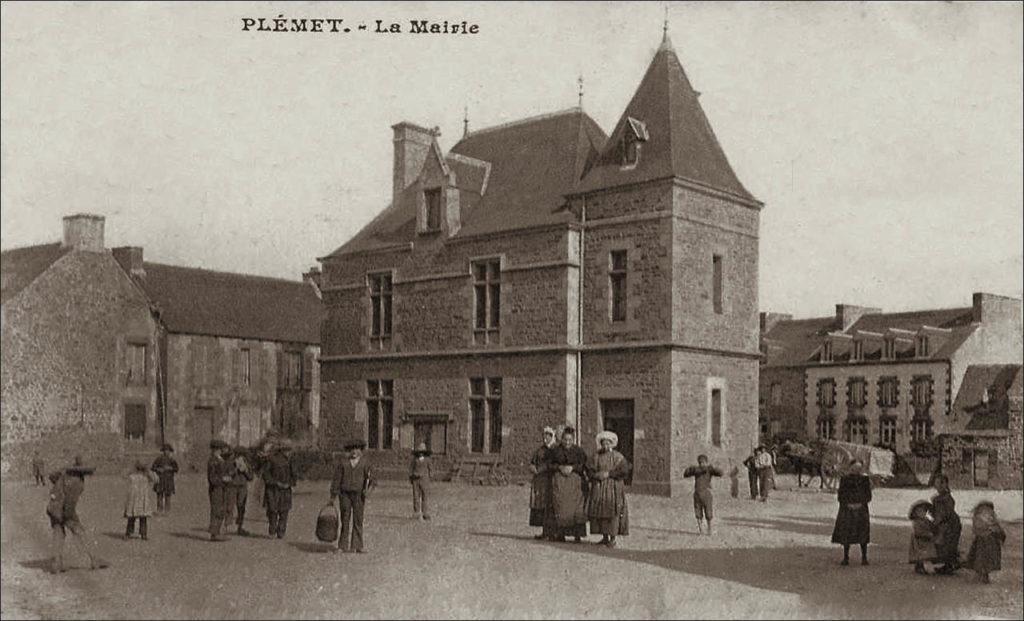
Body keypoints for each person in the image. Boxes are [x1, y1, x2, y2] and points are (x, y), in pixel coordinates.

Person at [46, 456, 109, 573]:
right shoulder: (77, 482)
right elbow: (70, 502)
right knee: (80, 532)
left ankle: (56, 563)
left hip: (52, 507)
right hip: (63, 510)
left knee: (58, 534)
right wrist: (70, 517)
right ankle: (94, 559)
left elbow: (52, 477)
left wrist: (63, 470)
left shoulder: (65, 476)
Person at [585, 430, 631, 547]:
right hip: (599, 488)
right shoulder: (596, 456)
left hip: (613, 488)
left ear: (612, 444)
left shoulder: (618, 457)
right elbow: (589, 469)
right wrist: (596, 475)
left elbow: (624, 471)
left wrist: (609, 474)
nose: (606, 446)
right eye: (604, 443)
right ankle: (604, 537)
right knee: (600, 511)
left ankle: (612, 538)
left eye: (608, 443)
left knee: (612, 511)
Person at [545, 427, 588, 543]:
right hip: (560, 482)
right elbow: (549, 464)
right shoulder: (555, 451)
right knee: (560, 507)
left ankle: (577, 534)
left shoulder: (579, 451)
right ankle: (560, 534)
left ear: (573, 440)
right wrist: (559, 467)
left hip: (575, 483)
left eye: (570, 440)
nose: (567, 442)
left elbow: (584, 465)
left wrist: (573, 468)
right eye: (565, 440)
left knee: (576, 508)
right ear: (561, 439)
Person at [330, 439, 373, 553]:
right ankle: (342, 545)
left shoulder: (365, 463)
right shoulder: (343, 463)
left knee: (358, 519)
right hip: (345, 494)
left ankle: (357, 545)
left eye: (357, 449)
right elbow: (336, 480)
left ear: (361, 450)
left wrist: (367, 491)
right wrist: (333, 495)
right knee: (345, 519)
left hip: (359, 495)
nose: (354, 451)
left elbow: (373, 480)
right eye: (352, 449)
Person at [831, 459, 872, 566]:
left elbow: (868, 496)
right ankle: (846, 557)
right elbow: (841, 495)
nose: (856, 471)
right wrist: (848, 504)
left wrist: (860, 503)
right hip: (847, 509)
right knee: (846, 533)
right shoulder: (845, 479)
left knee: (863, 533)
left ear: (861, 469)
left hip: (861, 508)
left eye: (859, 469)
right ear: (850, 468)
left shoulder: (865, 480)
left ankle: (864, 557)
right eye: (854, 469)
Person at [263, 440, 298, 539]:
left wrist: (289, 483)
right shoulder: (272, 459)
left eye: (289, 450)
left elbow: (294, 475)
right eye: (286, 450)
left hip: (282, 489)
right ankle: (275, 531)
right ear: (281, 450)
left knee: (282, 511)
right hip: (274, 489)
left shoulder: (290, 460)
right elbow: (266, 474)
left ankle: (278, 531)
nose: (288, 452)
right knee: (275, 511)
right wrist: (276, 483)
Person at [929, 473, 962, 575]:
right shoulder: (937, 499)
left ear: (945, 484)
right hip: (944, 524)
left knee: (947, 544)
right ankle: (948, 563)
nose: (936, 486)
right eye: (936, 483)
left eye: (938, 483)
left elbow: (945, 513)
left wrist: (935, 521)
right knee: (944, 544)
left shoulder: (947, 499)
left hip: (950, 525)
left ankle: (950, 564)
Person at [965, 501, 1005, 584]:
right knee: (985, 560)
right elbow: (998, 529)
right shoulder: (989, 517)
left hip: (982, 541)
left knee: (981, 559)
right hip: (989, 541)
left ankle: (981, 576)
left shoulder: (978, 516)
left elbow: (976, 528)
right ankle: (983, 577)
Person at [684, 454, 723, 535]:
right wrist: (691, 469)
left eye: (703, 462)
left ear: (706, 462)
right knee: (698, 512)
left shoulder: (709, 470)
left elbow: (720, 473)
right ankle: (701, 530)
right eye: (700, 462)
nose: (702, 464)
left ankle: (709, 530)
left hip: (706, 493)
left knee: (708, 512)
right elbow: (686, 474)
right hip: (698, 493)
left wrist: (714, 468)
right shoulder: (696, 470)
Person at [529, 427, 557, 539]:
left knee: (551, 506)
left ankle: (553, 532)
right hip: (540, 481)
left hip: (551, 480)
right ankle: (545, 531)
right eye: (544, 436)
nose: (546, 438)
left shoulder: (555, 449)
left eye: (548, 436)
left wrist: (541, 469)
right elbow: (532, 461)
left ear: (552, 436)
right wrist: (532, 468)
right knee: (541, 505)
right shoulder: (540, 450)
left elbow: (553, 463)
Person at [124, 460, 158, 540]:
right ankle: (130, 534)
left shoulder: (146, 476)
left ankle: (141, 534)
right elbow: (124, 475)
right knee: (134, 517)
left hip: (141, 499)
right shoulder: (133, 476)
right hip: (135, 499)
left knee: (141, 518)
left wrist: (148, 471)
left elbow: (156, 479)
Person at [207, 439, 233, 542]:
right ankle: (214, 533)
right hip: (216, 489)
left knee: (221, 509)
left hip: (222, 488)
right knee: (216, 510)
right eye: (218, 449)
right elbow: (212, 478)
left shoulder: (219, 459)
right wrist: (223, 479)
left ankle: (217, 532)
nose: (220, 451)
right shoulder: (213, 460)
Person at [228, 446, 254, 536]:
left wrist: (245, 470)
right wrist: (236, 468)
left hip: (242, 487)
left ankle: (240, 527)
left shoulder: (247, 463)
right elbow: (228, 474)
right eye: (238, 455)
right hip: (232, 486)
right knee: (229, 506)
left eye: (242, 455)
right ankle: (226, 526)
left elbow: (251, 477)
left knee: (241, 507)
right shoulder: (230, 462)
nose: (240, 457)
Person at [907, 500, 938, 575]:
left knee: (926, 554)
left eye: (924, 511)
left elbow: (933, 523)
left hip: (926, 540)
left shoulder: (927, 520)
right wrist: (928, 534)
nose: (922, 513)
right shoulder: (917, 522)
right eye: (919, 511)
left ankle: (922, 566)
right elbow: (918, 532)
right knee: (923, 555)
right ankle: (923, 567)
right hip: (920, 540)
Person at [151, 444, 178, 515]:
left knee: (168, 495)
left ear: (170, 451)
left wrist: (170, 468)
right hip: (160, 479)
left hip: (168, 479)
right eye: (165, 450)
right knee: (159, 494)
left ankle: (167, 510)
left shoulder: (172, 460)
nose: (166, 452)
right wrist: (158, 469)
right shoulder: (159, 459)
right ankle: (159, 509)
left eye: (168, 451)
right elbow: (153, 468)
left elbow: (176, 469)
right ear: (163, 451)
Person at [410, 442, 432, 521]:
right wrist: (411, 478)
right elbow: (411, 468)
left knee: (425, 496)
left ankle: (425, 512)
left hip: (424, 480)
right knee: (416, 496)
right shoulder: (414, 460)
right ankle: (416, 512)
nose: (420, 453)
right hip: (416, 479)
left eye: (422, 452)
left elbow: (430, 469)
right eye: (419, 452)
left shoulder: (427, 460)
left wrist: (429, 477)